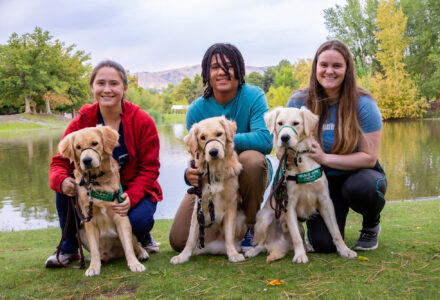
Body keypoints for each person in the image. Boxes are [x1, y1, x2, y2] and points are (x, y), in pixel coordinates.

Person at [45, 60, 162, 267]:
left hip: (133, 192)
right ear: (92, 88)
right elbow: (58, 163)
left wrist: (131, 196)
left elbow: (150, 169)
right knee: (63, 187)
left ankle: (142, 238)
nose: (107, 89)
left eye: (114, 84)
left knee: (137, 221)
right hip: (93, 191)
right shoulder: (80, 122)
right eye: (100, 83)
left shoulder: (143, 121)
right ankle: (68, 248)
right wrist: (61, 181)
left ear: (124, 89)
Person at [169, 43, 273, 252]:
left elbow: (265, 141)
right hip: (212, 175)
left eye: (229, 66)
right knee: (179, 240)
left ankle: (250, 225)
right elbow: (195, 155)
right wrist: (188, 173)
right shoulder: (196, 110)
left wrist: (223, 139)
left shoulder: (254, 95)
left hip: (247, 174)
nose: (222, 72)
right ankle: (228, 228)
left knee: (252, 160)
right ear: (207, 72)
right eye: (215, 67)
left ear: (239, 70)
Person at [286, 40, 387, 252]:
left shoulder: (364, 104)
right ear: (315, 67)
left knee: (365, 187)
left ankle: (371, 225)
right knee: (324, 245)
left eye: (337, 66)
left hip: (356, 175)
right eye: (324, 65)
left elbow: (369, 157)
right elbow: (283, 142)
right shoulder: (298, 102)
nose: (329, 71)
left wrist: (325, 158)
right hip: (318, 181)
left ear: (347, 69)